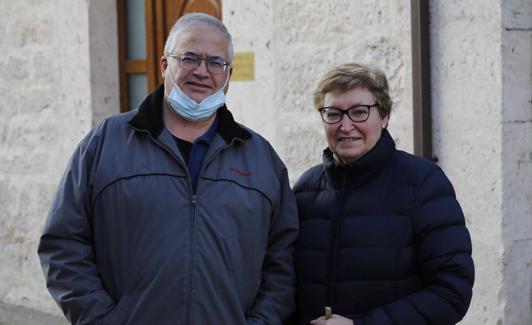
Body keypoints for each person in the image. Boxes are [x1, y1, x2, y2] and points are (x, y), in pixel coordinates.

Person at [38, 13, 298, 325]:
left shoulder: (260, 157)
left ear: (228, 74)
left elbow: (282, 260)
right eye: (189, 57)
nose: (202, 71)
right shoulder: (105, 143)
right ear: (164, 65)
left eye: (216, 62)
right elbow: (63, 244)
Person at [293, 63, 474, 325]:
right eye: (333, 114)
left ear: (385, 116)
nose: (345, 126)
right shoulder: (305, 189)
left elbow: (451, 290)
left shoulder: (423, 184)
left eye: (359, 112)